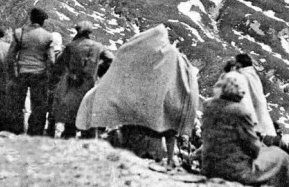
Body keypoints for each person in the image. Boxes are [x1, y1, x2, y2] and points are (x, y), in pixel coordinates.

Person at [77, 24, 199, 167]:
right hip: (163, 113)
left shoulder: (152, 55)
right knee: (169, 132)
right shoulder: (173, 57)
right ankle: (170, 159)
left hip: (136, 124)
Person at [201, 71, 289, 187]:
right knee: (281, 156)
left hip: (209, 166)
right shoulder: (240, 111)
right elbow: (254, 148)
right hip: (235, 171)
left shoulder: (208, 106)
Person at [51, 21, 113, 139]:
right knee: (88, 118)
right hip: (89, 87)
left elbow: (58, 64)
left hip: (72, 87)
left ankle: (68, 141)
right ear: (89, 32)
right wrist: (99, 71)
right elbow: (111, 60)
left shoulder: (71, 46)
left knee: (70, 120)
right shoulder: (98, 46)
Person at [8, 8, 61, 136]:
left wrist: (13, 73)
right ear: (42, 21)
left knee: (17, 104)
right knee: (38, 106)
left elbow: (10, 56)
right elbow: (51, 60)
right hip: (39, 74)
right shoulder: (48, 36)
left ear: (31, 18)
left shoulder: (19, 32)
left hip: (21, 72)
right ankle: (35, 132)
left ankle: (16, 130)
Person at [235, 54, 276, 138]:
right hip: (264, 123)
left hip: (254, 127)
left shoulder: (243, 76)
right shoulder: (253, 75)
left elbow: (246, 101)